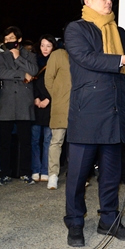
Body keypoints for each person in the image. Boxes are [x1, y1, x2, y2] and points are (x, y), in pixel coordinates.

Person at [63, 0, 125, 247]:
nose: (108, 1)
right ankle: (75, 222)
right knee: (79, 174)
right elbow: (86, 58)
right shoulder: (77, 29)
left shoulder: (120, 31)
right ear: (87, 1)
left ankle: (109, 220)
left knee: (112, 173)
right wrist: (124, 59)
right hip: (88, 111)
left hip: (116, 109)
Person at [0, 26, 38, 186]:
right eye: (6, 40)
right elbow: (1, 73)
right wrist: (22, 74)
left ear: (18, 39)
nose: (8, 42)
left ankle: (26, 172)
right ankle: (4, 173)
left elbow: (33, 70)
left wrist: (18, 58)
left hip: (24, 102)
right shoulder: (0, 56)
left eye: (11, 39)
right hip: (6, 102)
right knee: (4, 141)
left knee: (25, 140)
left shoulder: (29, 55)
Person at [44, 45, 71, 190]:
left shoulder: (83, 54)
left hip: (79, 107)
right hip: (61, 105)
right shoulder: (58, 54)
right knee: (56, 141)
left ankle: (76, 175)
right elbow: (48, 78)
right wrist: (58, 95)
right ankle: (53, 174)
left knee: (78, 143)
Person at [31, 34, 56, 182]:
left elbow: (58, 83)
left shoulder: (57, 61)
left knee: (48, 140)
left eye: (48, 45)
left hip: (50, 105)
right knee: (34, 139)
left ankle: (45, 170)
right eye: (42, 45)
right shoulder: (34, 61)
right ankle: (35, 169)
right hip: (35, 104)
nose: (45, 49)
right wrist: (36, 98)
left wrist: (48, 98)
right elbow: (32, 82)